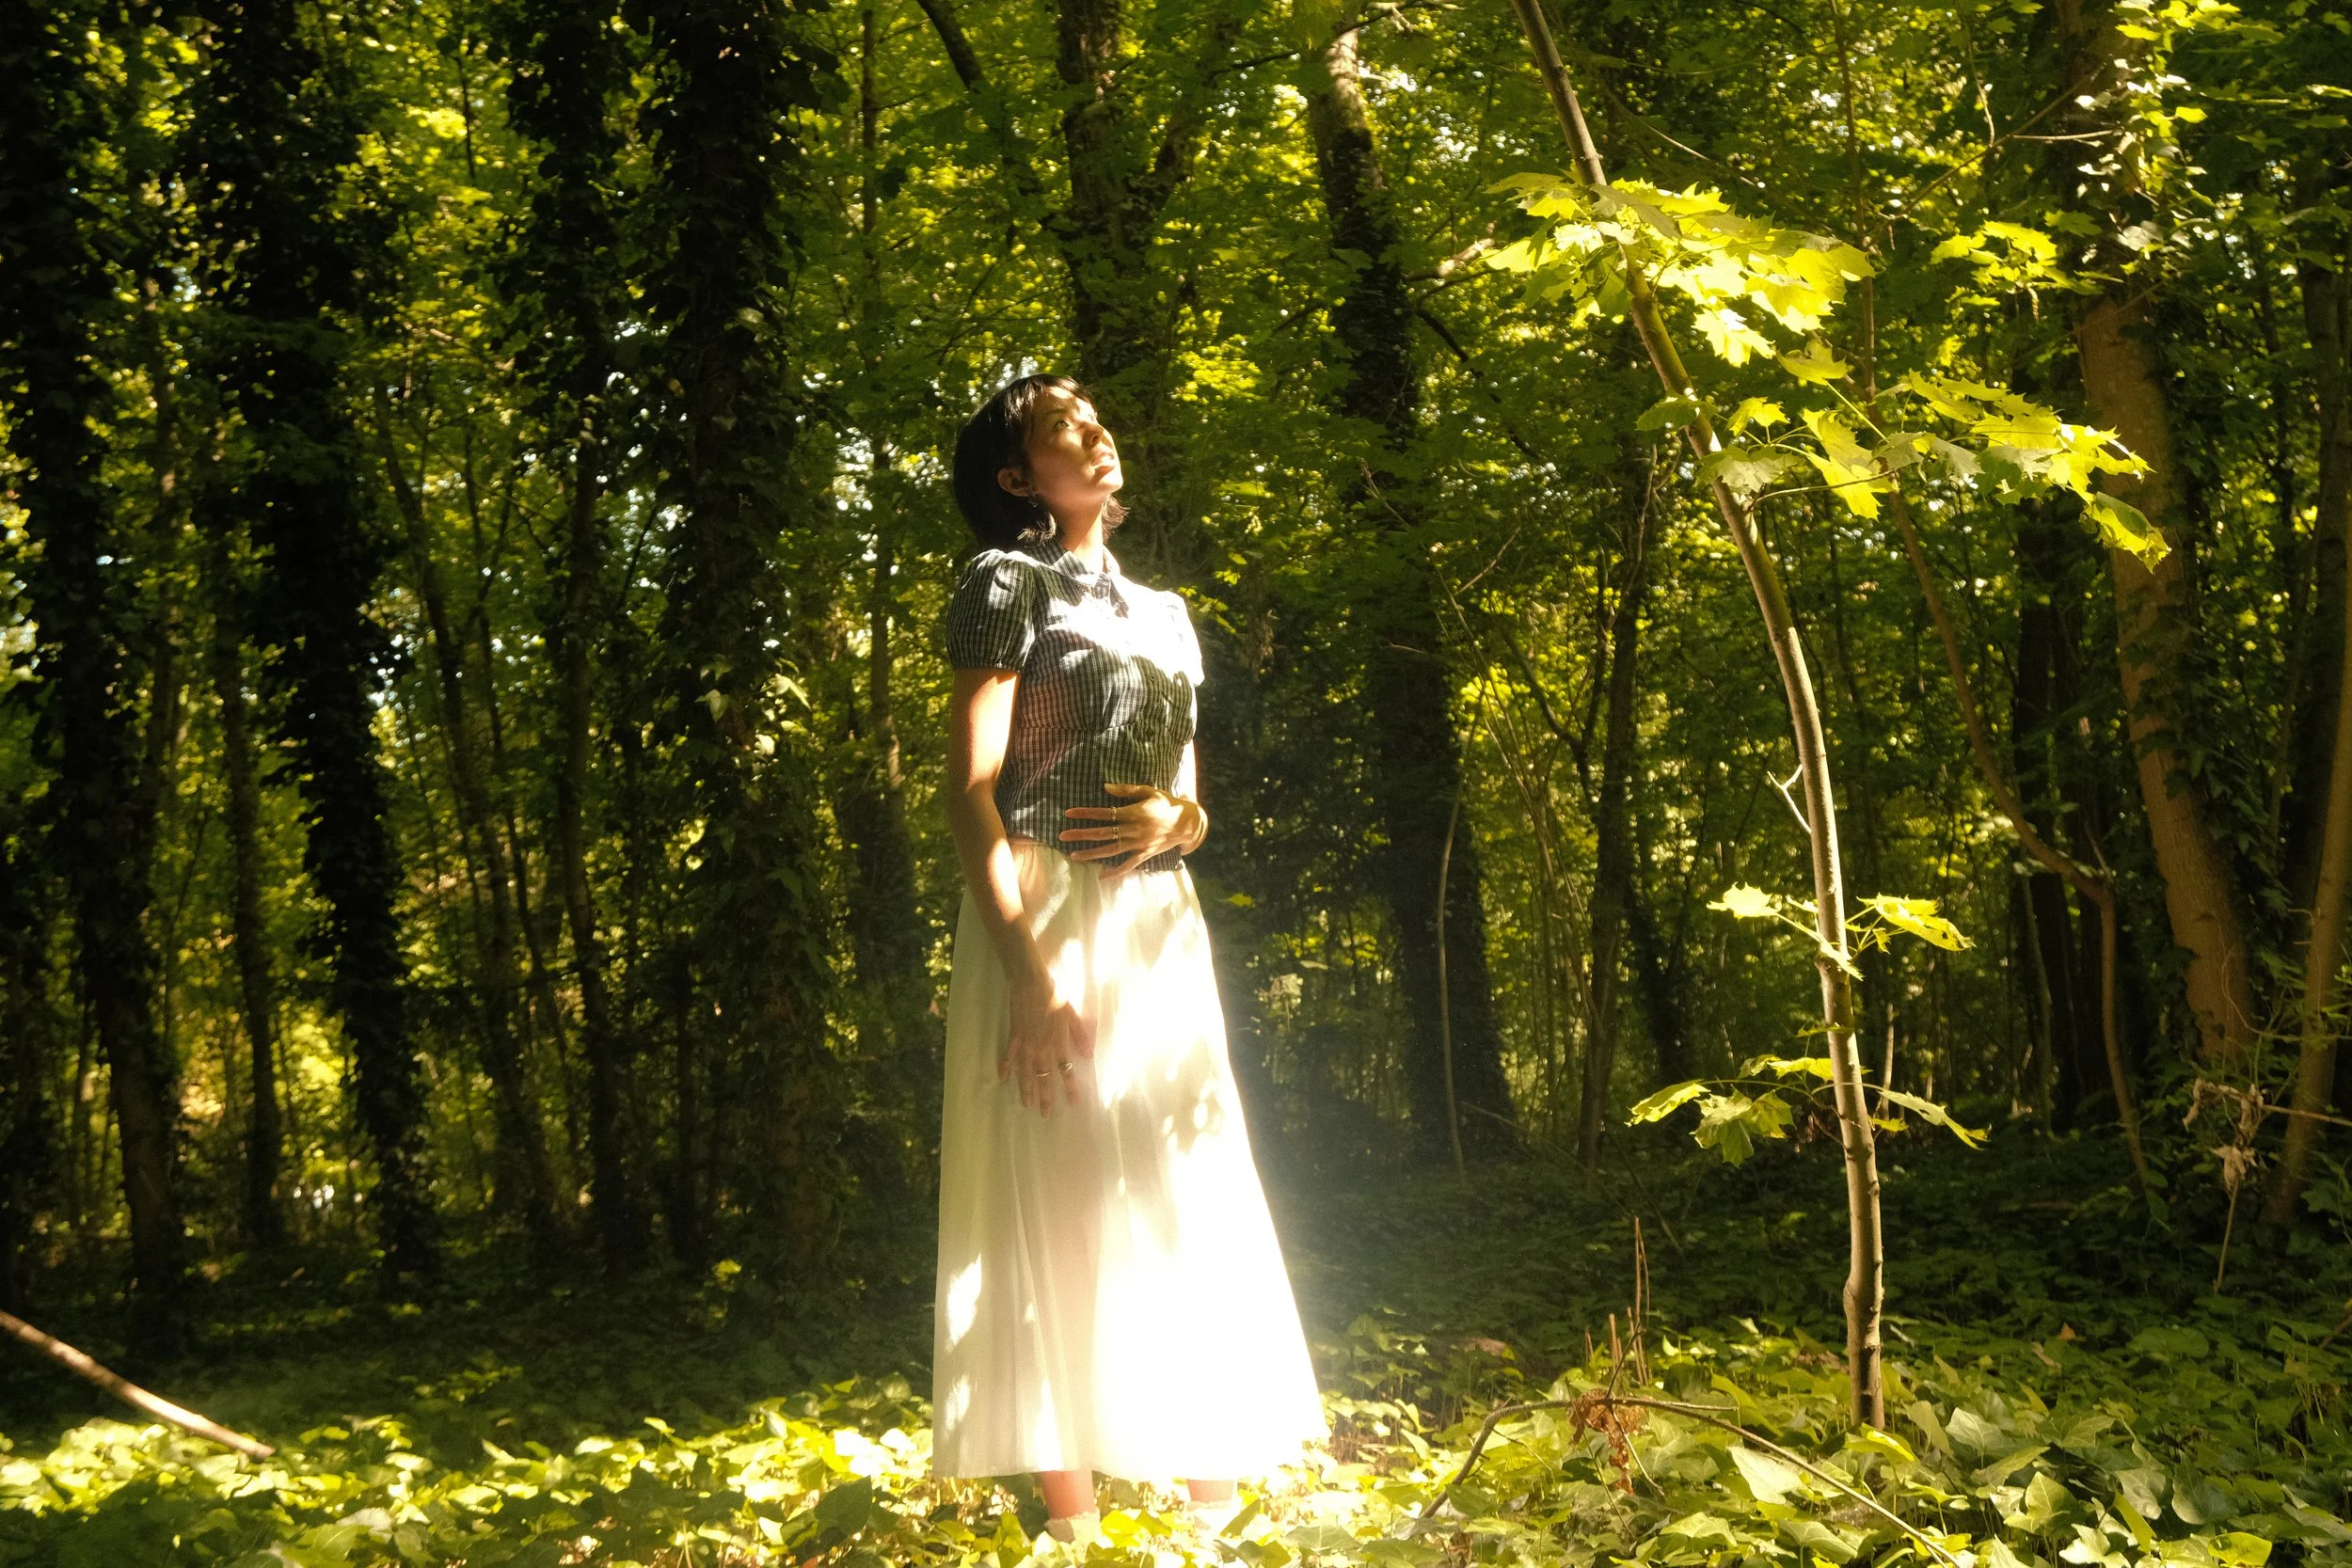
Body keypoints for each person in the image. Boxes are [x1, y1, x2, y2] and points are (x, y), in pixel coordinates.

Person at [931, 374, 1326, 1544]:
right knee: (1049, 1182)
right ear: (1018, 477)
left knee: (1178, 1177)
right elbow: (969, 790)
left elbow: (1187, 798)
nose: (1099, 436)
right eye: (1068, 430)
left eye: (1099, 418)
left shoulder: (1164, 612)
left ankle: (1211, 1509)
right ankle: (1075, 1524)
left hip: (1156, 918)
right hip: (1041, 906)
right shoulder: (1004, 583)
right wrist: (1029, 972)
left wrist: (1179, 821)